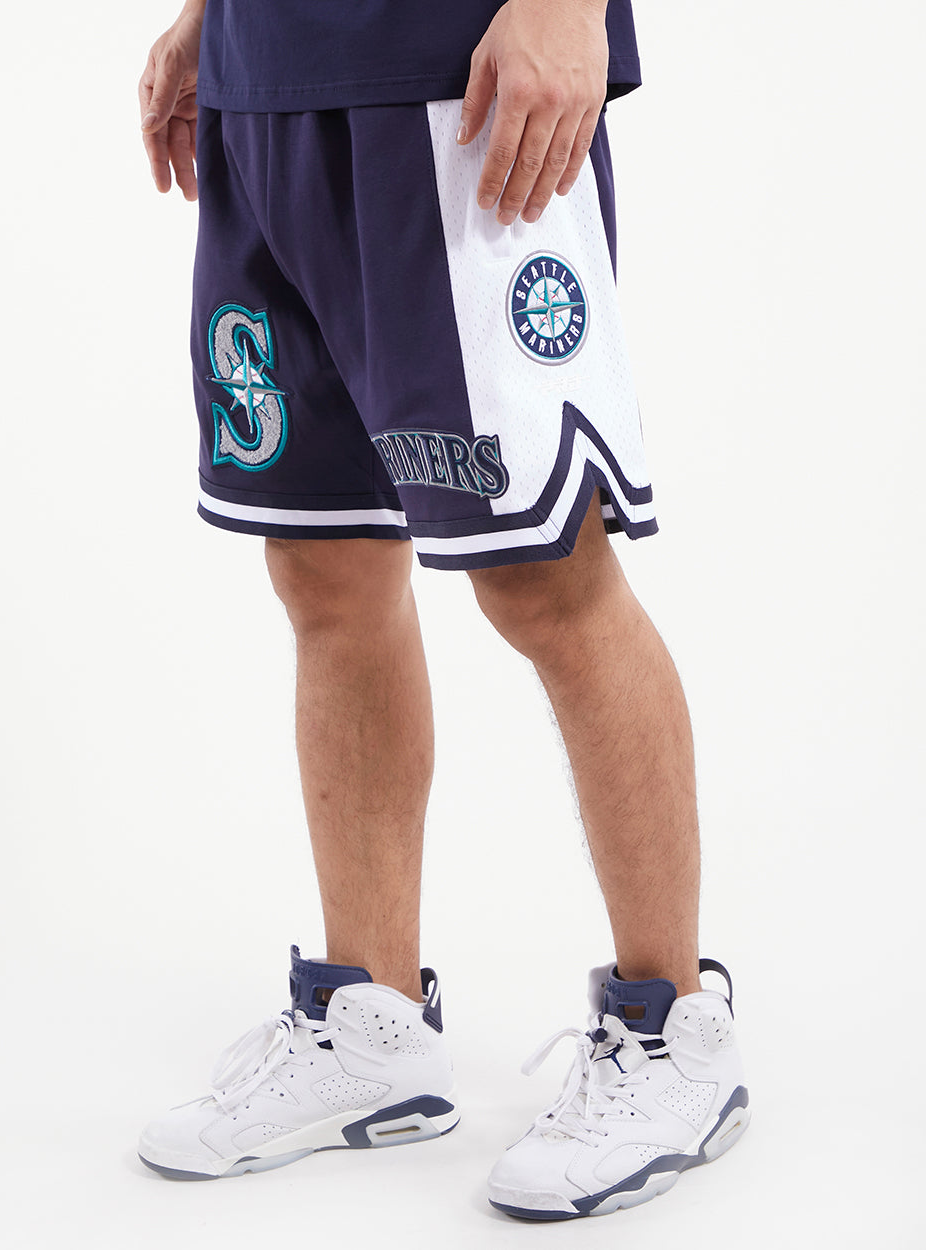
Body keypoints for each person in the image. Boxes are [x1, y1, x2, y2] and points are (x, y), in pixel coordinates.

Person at [135, 0, 749, 1219]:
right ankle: (373, 1022)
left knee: (544, 578)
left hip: (456, 92)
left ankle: (674, 1031)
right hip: (270, 93)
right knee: (323, 567)